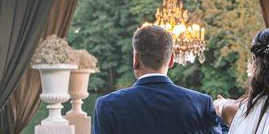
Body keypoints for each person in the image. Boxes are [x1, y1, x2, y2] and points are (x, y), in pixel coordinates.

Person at [93, 24, 224, 134]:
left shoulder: (107, 105)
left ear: (135, 59)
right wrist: (224, 114)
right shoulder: (201, 103)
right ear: (172, 60)